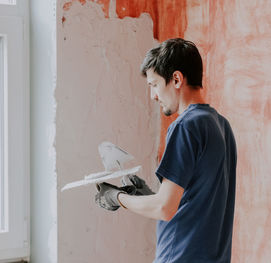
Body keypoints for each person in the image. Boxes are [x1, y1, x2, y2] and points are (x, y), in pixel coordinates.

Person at [95, 38, 237, 263]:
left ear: (176, 79)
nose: (153, 95)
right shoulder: (221, 125)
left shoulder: (186, 126)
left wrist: (116, 197)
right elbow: (191, 203)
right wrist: (148, 196)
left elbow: (164, 208)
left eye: (154, 85)